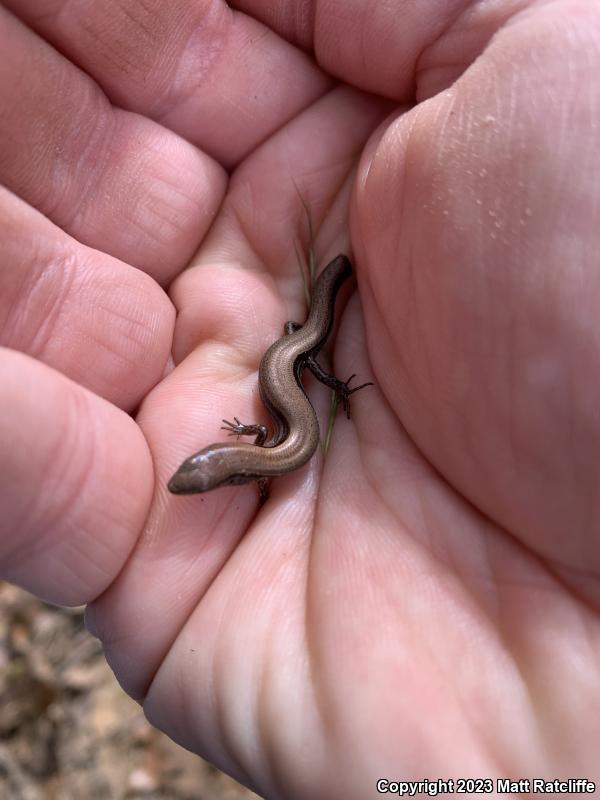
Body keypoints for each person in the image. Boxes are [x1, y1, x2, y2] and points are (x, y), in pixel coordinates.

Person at [1, 1, 599, 797]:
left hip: (302, 361)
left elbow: (270, 440)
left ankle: (332, 293)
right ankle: (327, 304)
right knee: (305, 345)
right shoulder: (261, 458)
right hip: (299, 363)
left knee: (311, 336)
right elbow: (271, 438)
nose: (195, 473)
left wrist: (277, 418)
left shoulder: (261, 459)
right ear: (221, 472)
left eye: (201, 469)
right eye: (199, 472)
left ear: (227, 471)